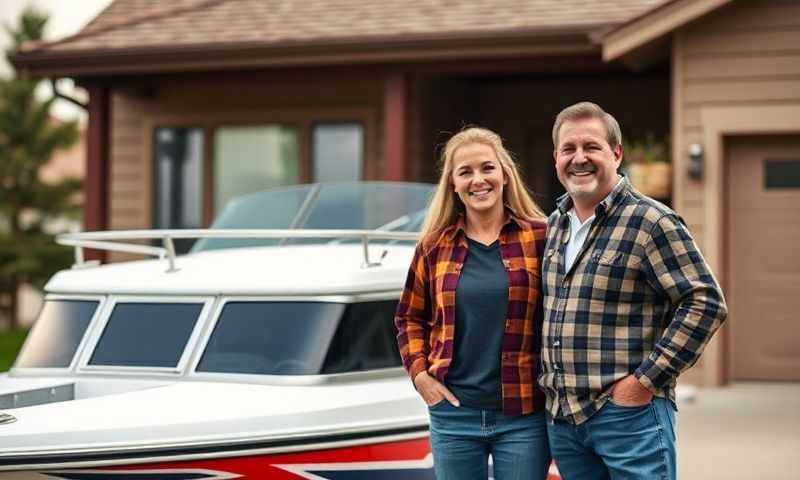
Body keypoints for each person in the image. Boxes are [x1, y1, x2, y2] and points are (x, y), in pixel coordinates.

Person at [540, 102, 728, 480]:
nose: (579, 158)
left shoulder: (651, 221)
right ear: (556, 158)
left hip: (628, 417)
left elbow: (705, 302)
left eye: (591, 147)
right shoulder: (554, 225)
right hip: (565, 421)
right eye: (569, 149)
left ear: (616, 153)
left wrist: (644, 381)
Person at [394, 127, 551, 480]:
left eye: (487, 168)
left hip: (523, 413)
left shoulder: (542, 237)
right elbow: (409, 317)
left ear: (504, 174)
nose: (478, 180)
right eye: (465, 172)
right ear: (452, 183)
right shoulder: (434, 246)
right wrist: (420, 375)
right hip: (453, 414)